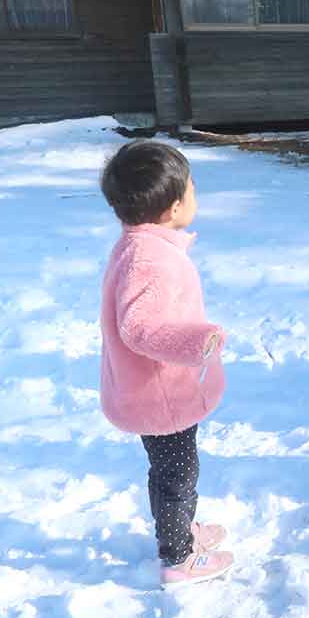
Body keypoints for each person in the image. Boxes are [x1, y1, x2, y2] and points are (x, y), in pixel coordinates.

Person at [98, 140, 234, 586]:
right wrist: (199, 341)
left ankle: (179, 532)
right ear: (174, 207)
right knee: (178, 473)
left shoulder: (142, 244)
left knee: (170, 469)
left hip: (154, 388)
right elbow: (141, 328)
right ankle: (177, 557)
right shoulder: (149, 258)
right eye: (194, 189)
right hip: (161, 394)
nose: (197, 195)